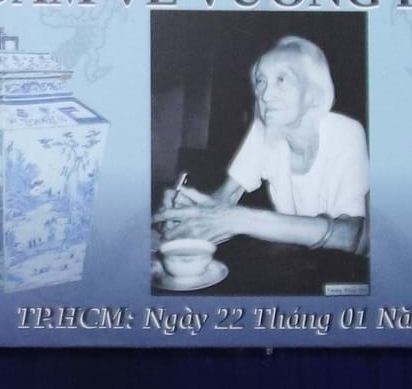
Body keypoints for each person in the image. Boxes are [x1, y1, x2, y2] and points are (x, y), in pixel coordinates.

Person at [156, 35, 369, 254]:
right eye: (260, 81)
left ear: (314, 94)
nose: (265, 95)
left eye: (282, 79)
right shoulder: (265, 130)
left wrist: (240, 220)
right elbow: (226, 196)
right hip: (303, 263)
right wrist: (189, 210)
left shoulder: (345, 132)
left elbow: (352, 235)